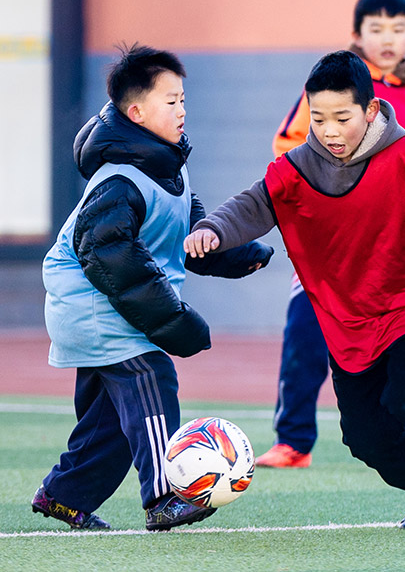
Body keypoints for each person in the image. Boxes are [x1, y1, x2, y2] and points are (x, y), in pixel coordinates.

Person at [185, 50, 405, 529]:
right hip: (349, 323)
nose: (329, 130)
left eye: (341, 118)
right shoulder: (293, 171)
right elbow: (249, 206)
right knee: (362, 435)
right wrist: (212, 229)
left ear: (370, 110)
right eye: (318, 118)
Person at [33, 44, 273, 531]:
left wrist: (235, 254)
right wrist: (173, 320)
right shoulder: (119, 180)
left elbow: (189, 234)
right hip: (94, 302)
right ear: (136, 113)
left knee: (110, 418)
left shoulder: (167, 165)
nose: (182, 110)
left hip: (110, 303)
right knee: (151, 377)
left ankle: (63, 495)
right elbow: (111, 259)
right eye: (171, 101)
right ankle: (165, 496)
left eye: (183, 99)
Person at [259, 0, 405, 469]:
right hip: (328, 250)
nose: (387, 38)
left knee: (404, 351)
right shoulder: (332, 90)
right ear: (357, 34)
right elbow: (287, 147)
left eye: (397, 29)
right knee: (305, 341)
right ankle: (293, 442)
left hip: (387, 255)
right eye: (376, 29)